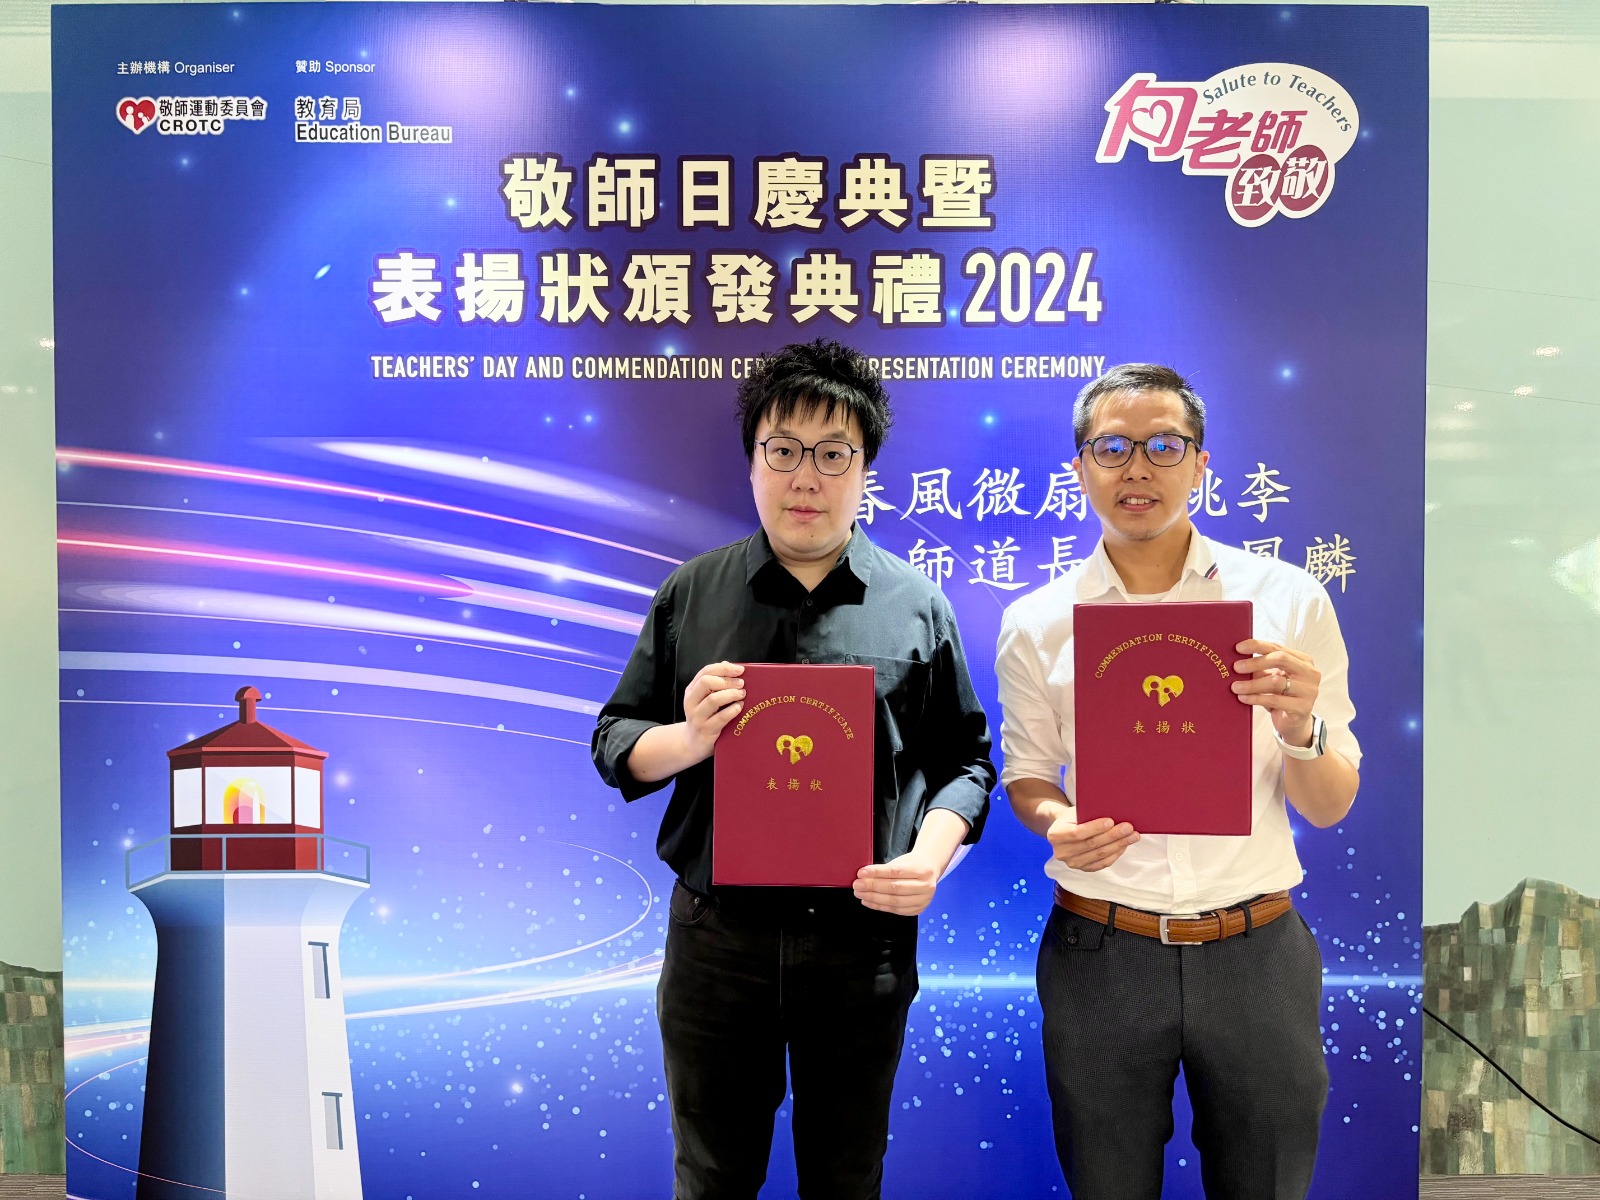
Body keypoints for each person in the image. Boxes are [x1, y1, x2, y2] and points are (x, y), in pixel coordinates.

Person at [592, 337, 995, 1200]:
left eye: (832, 454)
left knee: (846, 1178)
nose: (805, 477)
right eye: (783, 450)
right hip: (717, 942)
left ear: (864, 470)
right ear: (752, 462)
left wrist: (928, 862)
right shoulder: (692, 594)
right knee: (711, 1178)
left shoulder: (916, 605)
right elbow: (617, 741)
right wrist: (690, 739)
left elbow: (964, 762)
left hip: (861, 940)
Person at [994, 363, 1360, 1200]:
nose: (1138, 468)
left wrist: (1298, 726)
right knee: (1106, 1184)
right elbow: (1027, 777)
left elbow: (1331, 803)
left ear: (1201, 463)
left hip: (1257, 950)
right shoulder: (1037, 621)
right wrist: (1056, 822)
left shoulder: (1287, 601)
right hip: (1102, 951)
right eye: (1112, 448)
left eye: (1164, 446)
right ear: (1079, 467)